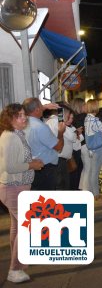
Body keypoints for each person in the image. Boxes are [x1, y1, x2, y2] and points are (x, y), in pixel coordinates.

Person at [0, 103, 44, 283]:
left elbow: (16, 160)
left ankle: (19, 261)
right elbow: (8, 166)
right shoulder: (10, 137)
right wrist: (32, 165)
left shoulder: (16, 134)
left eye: (23, 114)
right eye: (19, 116)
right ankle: (14, 269)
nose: (23, 118)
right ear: (10, 119)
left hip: (17, 187)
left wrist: (31, 161)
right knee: (26, 227)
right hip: (13, 187)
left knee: (18, 227)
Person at [22, 98, 65, 190]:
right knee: (46, 199)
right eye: (40, 106)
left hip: (31, 165)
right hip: (45, 168)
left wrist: (44, 107)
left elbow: (31, 110)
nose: (43, 108)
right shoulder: (40, 127)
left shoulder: (23, 123)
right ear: (37, 109)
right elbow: (58, 147)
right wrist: (61, 133)